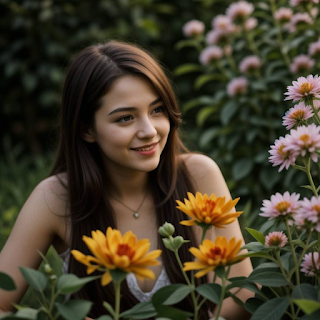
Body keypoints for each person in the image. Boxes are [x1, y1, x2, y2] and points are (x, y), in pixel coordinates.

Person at [0, 40, 253, 319]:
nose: (149, 131)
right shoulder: (56, 198)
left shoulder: (199, 175)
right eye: (125, 118)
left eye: (157, 110)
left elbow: (241, 296)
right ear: (87, 129)